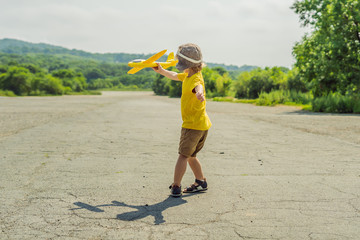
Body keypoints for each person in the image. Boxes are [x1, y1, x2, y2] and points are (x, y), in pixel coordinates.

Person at [152, 43, 212, 197]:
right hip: (202, 125)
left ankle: (176, 185)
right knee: (191, 156)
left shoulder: (195, 80)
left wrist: (200, 94)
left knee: (183, 156)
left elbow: (198, 87)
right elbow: (174, 75)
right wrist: (162, 71)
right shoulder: (189, 75)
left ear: (187, 65)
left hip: (192, 126)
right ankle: (201, 181)